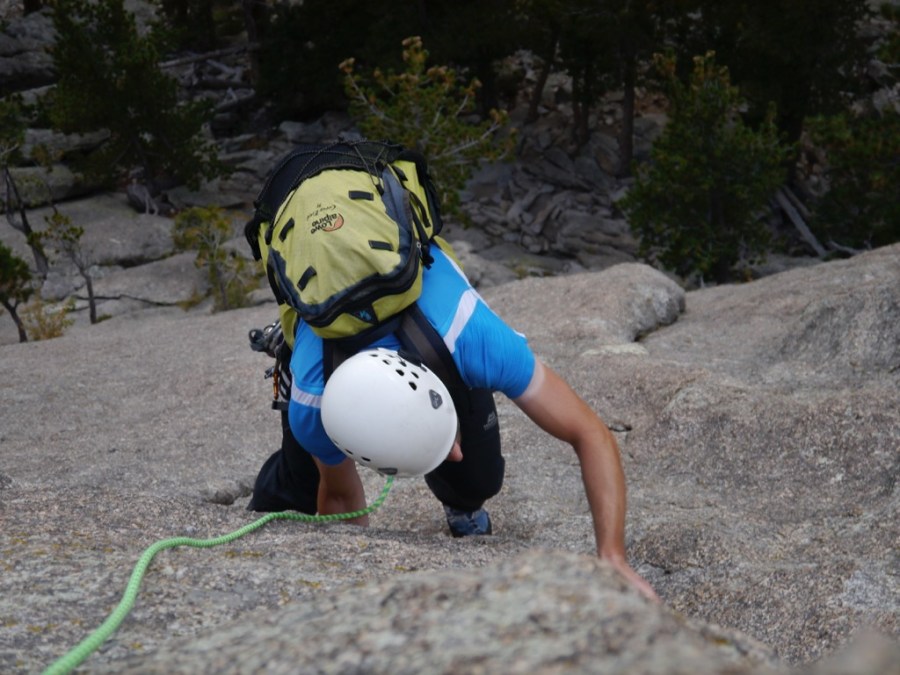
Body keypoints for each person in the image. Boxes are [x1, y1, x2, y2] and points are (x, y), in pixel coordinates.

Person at [249, 244, 659, 602]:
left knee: (477, 478)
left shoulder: (472, 338)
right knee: (298, 481)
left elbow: (589, 432)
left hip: (430, 327)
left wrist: (612, 557)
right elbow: (340, 501)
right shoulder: (312, 403)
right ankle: (287, 342)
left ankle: (462, 504)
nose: (455, 450)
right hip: (320, 331)